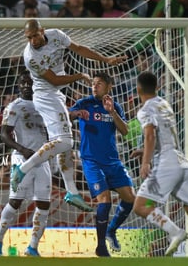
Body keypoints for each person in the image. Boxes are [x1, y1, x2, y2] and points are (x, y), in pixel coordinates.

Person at [11, 19, 126, 211]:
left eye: (35, 35)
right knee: (66, 142)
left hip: (56, 95)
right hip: (46, 95)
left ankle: (71, 191)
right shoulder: (30, 56)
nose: (32, 40)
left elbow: (79, 48)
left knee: (63, 148)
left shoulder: (56, 35)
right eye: (28, 38)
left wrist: (105, 60)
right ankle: (22, 169)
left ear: (43, 31)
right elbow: (55, 80)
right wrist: (80, 76)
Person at [133, 71, 188, 257]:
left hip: (166, 162)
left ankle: (175, 232)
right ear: (157, 87)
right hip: (182, 162)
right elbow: (161, 135)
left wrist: (145, 162)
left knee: (140, 206)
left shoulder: (144, 110)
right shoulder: (164, 104)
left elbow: (150, 134)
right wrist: (147, 151)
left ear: (138, 89)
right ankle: (176, 232)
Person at [69, 72, 135, 257]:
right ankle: (100, 247)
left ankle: (111, 230)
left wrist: (112, 112)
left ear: (109, 86)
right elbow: (66, 115)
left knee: (130, 197)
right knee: (104, 200)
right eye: (93, 83)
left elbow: (125, 131)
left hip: (113, 162)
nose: (94, 86)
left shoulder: (114, 106)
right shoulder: (85, 103)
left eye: (98, 84)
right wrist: (76, 113)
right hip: (92, 161)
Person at [0, 71, 51, 257]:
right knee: (16, 201)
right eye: (23, 83)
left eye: (30, 82)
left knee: (44, 204)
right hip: (21, 158)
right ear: (18, 86)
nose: (26, 85)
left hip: (42, 160)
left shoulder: (45, 105)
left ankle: (32, 247)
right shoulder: (14, 106)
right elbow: (4, 134)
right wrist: (22, 149)